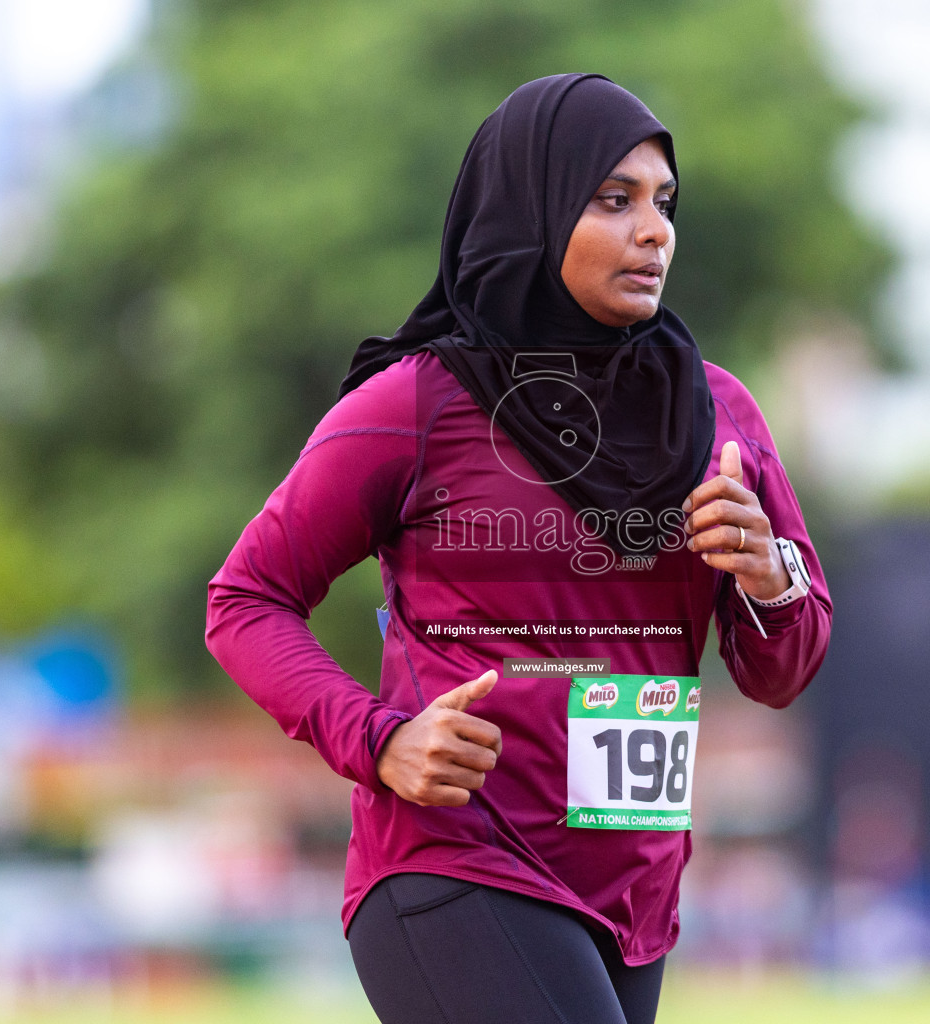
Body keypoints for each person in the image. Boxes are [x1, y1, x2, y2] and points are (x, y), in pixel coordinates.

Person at [206, 73, 831, 1024]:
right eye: (613, 201)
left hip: (634, 889)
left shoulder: (717, 413)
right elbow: (245, 599)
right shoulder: (415, 404)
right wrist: (379, 741)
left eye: (664, 203)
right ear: (533, 210)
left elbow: (784, 668)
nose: (654, 231)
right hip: (460, 863)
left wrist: (767, 575)